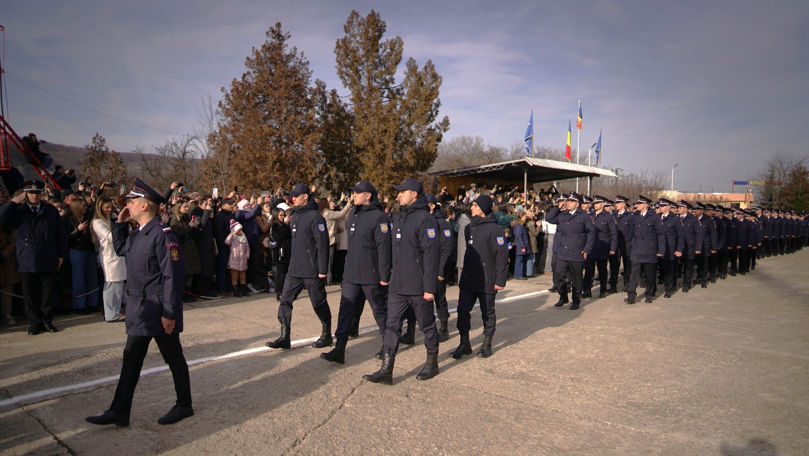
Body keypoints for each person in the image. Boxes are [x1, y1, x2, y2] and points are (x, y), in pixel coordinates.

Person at [86, 178, 192, 427]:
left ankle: (184, 405)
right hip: (139, 310)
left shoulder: (164, 236)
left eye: (132, 202)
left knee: (173, 357)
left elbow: (173, 278)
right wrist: (120, 224)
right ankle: (119, 411)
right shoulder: (137, 233)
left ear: (145, 205)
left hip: (157, 309)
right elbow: (121, 248)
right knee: (131, 359)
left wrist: (170, 313)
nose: (127, 206)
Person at [364, 178, 440, 384]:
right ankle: (386, 370)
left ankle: (432, 362)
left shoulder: (426, 220)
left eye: (402, 192)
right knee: (391, 325)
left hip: (418, 286)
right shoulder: (398, 218)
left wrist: (429, 288)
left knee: (427, 325)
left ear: (414, 194)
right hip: (397, 285)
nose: (398, 195)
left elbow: (431, 256)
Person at [321, 181, 391, 364]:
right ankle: (339, 349)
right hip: (351, 274)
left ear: (368, 195)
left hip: (371, 274)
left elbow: (384, 249)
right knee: (345, 310)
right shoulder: (354, 214)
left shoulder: (379, 218)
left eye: (357, 193)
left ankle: (388, 346)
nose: (354, 196)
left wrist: (384, 276)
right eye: (353, 193)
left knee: (380, 311)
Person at [266, 183, 332, 349]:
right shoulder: (294, 216)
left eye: (296, 196)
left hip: (311, 270)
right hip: (294, 269)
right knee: (285, 300)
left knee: (318, 303)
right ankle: (284, 336)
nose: (292, 198)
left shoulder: (315, 217)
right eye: (291, 196)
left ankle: (326, 333)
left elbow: (322, 245)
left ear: (305, 197)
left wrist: (323, 270)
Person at [0, 181, 67, 334]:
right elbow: (1, 217)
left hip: (47, 256)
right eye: (31, 193)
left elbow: (60, 234)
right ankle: (34, 323)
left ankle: (47, 321)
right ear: (26, 194)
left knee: (46, 293)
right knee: (29, 293)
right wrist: (13, 201)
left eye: (37, 192)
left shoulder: (49, 210)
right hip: (27, 258)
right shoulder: (18, 211)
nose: (34, 196)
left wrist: (61, 255)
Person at [450, 195, 508, 359]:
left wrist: (500, 280)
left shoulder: (495, 230)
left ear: (483, 208)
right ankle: (464, 344)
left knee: (487, 312)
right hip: (469, 278)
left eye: (475, 205)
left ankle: (487, 344)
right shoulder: (469, 227)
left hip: (487, 280)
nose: (472, 208)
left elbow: (501, 256)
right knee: (462, 311)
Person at [544, 192, 594, 310]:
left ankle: (576, 300)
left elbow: (591, 234)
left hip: (577, 252)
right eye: (567, 201)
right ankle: (563, 296)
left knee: (576, 278)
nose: (568, 203)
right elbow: (549, 218)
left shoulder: (584, 216)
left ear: (577, 204)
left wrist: (587, 249)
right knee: (559, 276)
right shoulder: (562, 215)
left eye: (571, 201)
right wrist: (558, 207)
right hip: (563, 251)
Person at [91, 197, 126, 322]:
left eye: (111, 207)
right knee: (111, 284)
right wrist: (120, 229)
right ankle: (111, 313)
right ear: (100, 208)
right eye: (106, 207)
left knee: (119, 283)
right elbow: (110, 237)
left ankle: (116, 309)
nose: (109, 210)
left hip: (118, 255)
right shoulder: (97, 222)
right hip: (109, 256)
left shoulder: (110, 218)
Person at [624, 196, 665, 304]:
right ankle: (631, 295)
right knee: (634, 274)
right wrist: (629, 244)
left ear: (646, 205)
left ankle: (649, 294)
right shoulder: (634, 217)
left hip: (649, 250)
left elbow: (660, 235)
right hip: (636, 250)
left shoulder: (654, 217)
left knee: (650, 274)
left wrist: (661, 250)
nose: (637, 205)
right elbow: (630, 232)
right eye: (637, 203)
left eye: (640, 203)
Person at [426, 193, 454, 341]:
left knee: (439, 299)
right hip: (425, 269)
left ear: (431, 205)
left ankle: (444, 328)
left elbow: (447, 248)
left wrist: (441, 270)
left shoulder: (443, 223)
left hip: (437, 269)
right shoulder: (424, 221)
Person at [64, 198, 100, 313]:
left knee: (92, 277)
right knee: (79, 278)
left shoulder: (88, 217)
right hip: (76, 250)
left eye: (85, 205)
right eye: (83, 206)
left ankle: (93, 302)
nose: (85, 207)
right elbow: (66, 238)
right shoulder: (69, 219)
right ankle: (79, 304)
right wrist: (77, 230)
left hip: (89, 249)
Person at [582, 195, 617, 298]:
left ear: (602, 204)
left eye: (597, 203)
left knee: (602, 270)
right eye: (594, 203)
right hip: (591, 247)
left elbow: (613, 234)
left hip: (602, 247)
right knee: (588, 271)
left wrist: (612, 248)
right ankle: (587, 291)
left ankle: (603, 290)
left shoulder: (608, 216)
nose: (595, 205)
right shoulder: (590, 215)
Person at [657, 199, 685, 298]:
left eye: (663, 206)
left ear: (668, 207)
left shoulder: (675, 219)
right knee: (662, 269)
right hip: (658, 248)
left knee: (669, 270)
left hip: (670, 248)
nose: (661, 207)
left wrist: (679, 249)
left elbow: (681, 236)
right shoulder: (657, 218)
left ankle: (669, 289)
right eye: (660, 206)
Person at [677, 201, 703, 292]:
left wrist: (698, 248)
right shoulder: (677, 219)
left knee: (688, 266)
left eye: (680, 207)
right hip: (678, 247)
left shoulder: (693, 219)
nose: (678, 209)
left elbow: (699, 234)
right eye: (678, 207)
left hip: (690, 247)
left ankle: (686, 284)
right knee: (678, 266)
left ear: (686, 209)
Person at [225, 219, 250, 297]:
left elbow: (247, 247)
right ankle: (235, 290)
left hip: (243, 260)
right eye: (239, 230)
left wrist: (247, 255)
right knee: (234, 277)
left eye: (241, 230)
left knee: (243, 276)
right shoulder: (233, 238)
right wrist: (233, 234)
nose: (241, 232)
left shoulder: (244, 238)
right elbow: (226, 241)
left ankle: (243, 289)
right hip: (234, 260)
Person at [510, 211, 531, 280]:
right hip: (520, 245)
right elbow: (519, 236)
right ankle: (518, 274)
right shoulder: (519, 226)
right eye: (525, 216)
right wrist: (522, 246)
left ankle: (521, 274)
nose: (526, 217)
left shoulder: (522, 225)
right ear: (521, 217)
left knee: (522, 260)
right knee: (519, 261)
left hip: (523, 244)